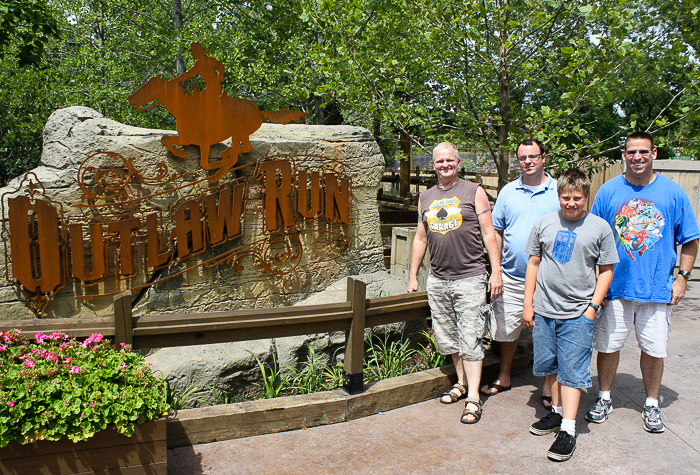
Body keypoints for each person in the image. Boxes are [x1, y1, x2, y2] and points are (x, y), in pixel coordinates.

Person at [586, 131, 700, 433]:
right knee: (608, 346)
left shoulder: (673, 193)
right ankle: (604, 397)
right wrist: (595, 283)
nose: (637, 157)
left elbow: (690, 239)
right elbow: (593, 238)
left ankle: (651, 403)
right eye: (631, 152)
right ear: (624, 155)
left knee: (654, 349)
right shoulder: (608, 192)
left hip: (656, 289)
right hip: (616, 288)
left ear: (654, 154)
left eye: (643, 152)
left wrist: (683, 279)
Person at [523, 168, 619, 461]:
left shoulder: (599, 227)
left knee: (573, 372)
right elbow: (534, 263)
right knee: (550, 365)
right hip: (545, 310)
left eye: (577, 198)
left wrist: (592, 307)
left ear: (586, 196)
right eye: (566, 197)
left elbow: (606, 271)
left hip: (578, 312)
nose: (571, 203)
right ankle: (556, 412)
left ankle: (568, 430)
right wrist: (529, 304)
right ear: (559, 195)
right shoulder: (545, 223)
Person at [407, 142, 503, 424]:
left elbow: (489, 234)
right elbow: (421, 238)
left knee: (471, 337)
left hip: (470, 277)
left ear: (458, 163)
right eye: (440, 161)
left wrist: (495, 271)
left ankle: (474, 397)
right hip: (438, 279)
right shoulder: (425, 197)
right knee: (449, 337)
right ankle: (460, 383)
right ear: (433, 165)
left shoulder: (474, 192)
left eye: (450, 160)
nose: (445, 165)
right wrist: (413, 276)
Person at [480, 139, 560, 409]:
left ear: (543, 158)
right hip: (513, 274)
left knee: (550, 331)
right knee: (506, 329)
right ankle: (504, 377)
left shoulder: (558, 191)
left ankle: (548, 386)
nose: (528, 161)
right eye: (523, 157)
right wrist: (496, 270)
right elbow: (497, 231)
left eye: (533, 156)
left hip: (549, 277)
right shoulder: (508, 191)